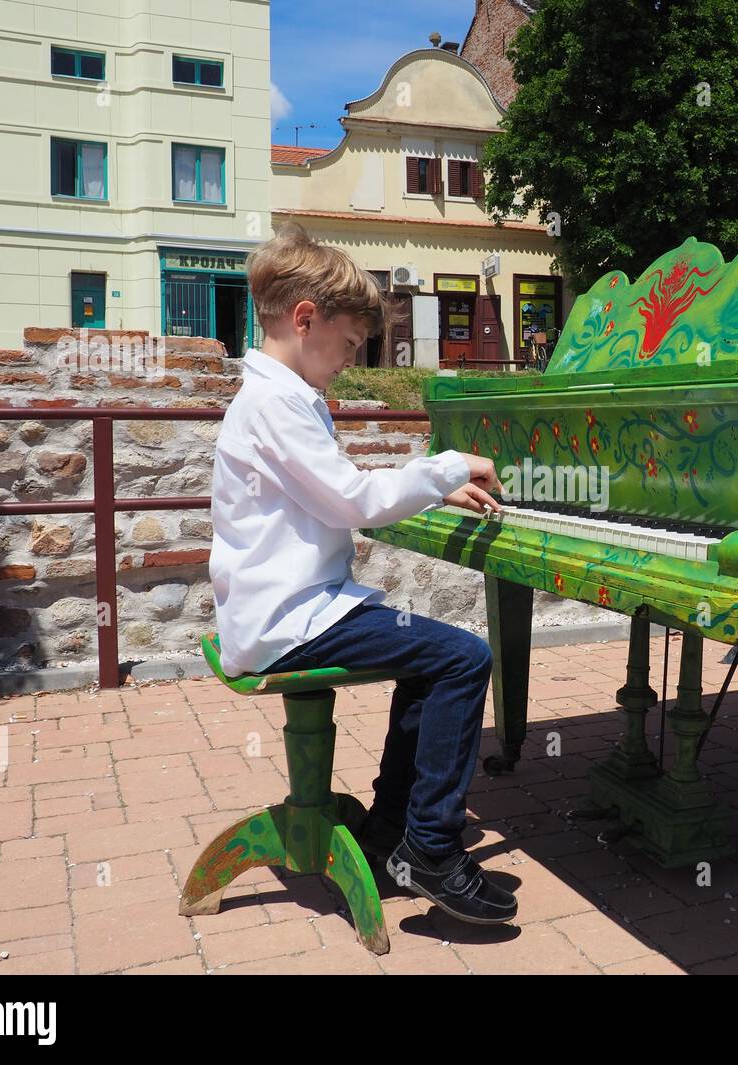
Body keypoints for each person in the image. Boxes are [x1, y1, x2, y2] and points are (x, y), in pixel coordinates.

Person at [209, 222, 517, 925]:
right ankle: (433, 848)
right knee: (464, 657)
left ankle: (390, 836)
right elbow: (351, 498)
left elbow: (339, 491)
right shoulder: (275, 402)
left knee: (431, 658)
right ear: (305, 318)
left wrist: (429, 485)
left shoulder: (278, 395)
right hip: (286, 621)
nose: (351, 362)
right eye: (348, 346)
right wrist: (442, 470)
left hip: (290, 607)